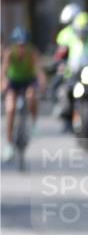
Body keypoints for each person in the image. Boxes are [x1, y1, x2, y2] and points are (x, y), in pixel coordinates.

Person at [54, 11, 88, 132]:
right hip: (74, 73)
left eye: (85, 31)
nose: (83, 34)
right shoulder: (71, 40)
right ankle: (67, 119)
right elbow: (61, 54)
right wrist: (60, 63)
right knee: (64, 90)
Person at [2, 27, 46, 161]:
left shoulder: (32, 52)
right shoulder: (9, 53)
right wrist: (3, 85)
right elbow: (3, 72)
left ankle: (34, 124)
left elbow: (38, 71)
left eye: (23, 45)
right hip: (13, 81)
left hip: (28, 80)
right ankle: (9, 144)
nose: (21, 48)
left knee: (32, 96)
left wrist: (42, 84)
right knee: (10, 109)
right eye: (18, 44)